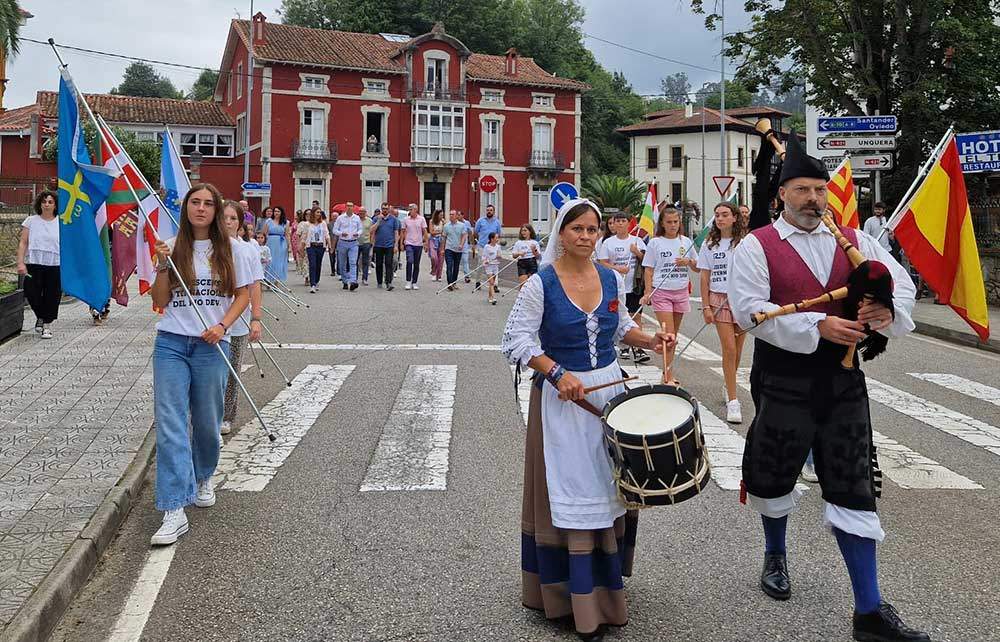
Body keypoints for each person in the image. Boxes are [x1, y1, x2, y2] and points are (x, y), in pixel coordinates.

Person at [729, 134, 927, 641]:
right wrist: (816, 327)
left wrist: (887, 312)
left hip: (842, 382)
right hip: (782, 377)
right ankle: (775, 551)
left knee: (852, 484)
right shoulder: (757, 246)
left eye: (820, 189)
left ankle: (869, 612)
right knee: (773, 478)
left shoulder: (855, 240)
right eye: (802, 189)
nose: (814, 198)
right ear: (781, 195)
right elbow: (749, 311)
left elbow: (898, 284)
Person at [501, 198, 674, 641]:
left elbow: (620, 331)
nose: (585, 236)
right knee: (572, 487)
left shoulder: (611, 279)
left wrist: (653, 339)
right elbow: (516, 340)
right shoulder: (541, 284)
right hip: (563, 400)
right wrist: (557, 372)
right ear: (561, 233)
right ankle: (572, 598)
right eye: (577, 228)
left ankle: (604, 586)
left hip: (608, 393)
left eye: (592, 229)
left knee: (606, 483)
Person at [148, 184, 252, 546]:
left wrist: (223, 325)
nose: (202, 209)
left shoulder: (233, 250)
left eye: (209, 203)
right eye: (196, 202)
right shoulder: (172, 246)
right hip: (172, 343)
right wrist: (162, 266)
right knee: (170, 422)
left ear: (217, 209)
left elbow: (243, 294)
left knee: (207, 422)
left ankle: (204, 473)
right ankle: (173, 508)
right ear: (186, 207)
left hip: (212, 346)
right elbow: (160, 301)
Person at [696, 202, 747, 423]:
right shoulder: (709, 244)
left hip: (742, 300)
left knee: (737, 349)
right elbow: (704, 276)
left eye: (725, 214)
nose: (720, 219)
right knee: (728, 349)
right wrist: (706, 306)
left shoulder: (746, 242)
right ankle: (733, 401)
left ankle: (729, 385)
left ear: (735, 217)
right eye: (717, 215)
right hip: (719, 299)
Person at [221, 201, 264, 436]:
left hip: (238, 322)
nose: (228, 222)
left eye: (233, 218)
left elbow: (255, 285)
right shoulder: (208, 246)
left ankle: (227, 415)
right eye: (224, 217)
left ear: (240, 223)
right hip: (211, 320)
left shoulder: (247, 249)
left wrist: (256, 318)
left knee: (231, 371)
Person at [640, 205, 695, 385]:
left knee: (674, 336)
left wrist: (688, 261)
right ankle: (668, 376)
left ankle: (667, 372)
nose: (673, 225)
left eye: (676, 222)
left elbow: (697, 266)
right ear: (662, 224)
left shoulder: (686, 242)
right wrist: (648, 292)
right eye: (669, 222)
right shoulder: (655, 243)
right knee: (668, 335)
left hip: (680, 290)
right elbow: (648, 269)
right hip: (661, 291)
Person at [598, 211, 649, 364]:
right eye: (617, 221)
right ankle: (623, 345)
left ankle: (638, 348)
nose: (620, 223)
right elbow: (602, 262)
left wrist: (637, 252)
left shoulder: (637, 240)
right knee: (619, 316)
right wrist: (618, 269)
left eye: (623, 221)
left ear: (629, 223)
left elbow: (648, 261)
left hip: (634, 285)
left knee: (636, 315)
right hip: (616, 285)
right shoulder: (608, 242)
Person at [16, 190, 60, 339]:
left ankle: (46, 324)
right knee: (31, 292)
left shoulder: (61, 222)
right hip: (34, 262)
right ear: (39, 204)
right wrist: (20, 262)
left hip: (55, 263)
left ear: (55, 205)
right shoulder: (31, 221)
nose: (46, 205)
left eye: (50, 202)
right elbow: (23, 242)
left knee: (52, 295)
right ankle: (40, 316)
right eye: (44, 202)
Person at [371, 204, 403, 291]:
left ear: (389, 209)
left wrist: (396, 245)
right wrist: (378, 221)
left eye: (386, 209)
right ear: (381, 209)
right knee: (379, 264)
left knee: (389, 263)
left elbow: (396, 232)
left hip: (389, 245)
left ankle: (389, 282)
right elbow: (371, 230)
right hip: (378, 245)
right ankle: (379, 282)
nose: (385, 210)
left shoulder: (394, 219)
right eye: (383, 209)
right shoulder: (376, 218)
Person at [333, 202, 362, 291]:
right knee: (342, 264)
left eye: (351, 206)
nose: (349, 208)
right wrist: (341, 233)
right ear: (345, 208)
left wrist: (358, 233)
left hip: (353, 242)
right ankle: (345, 281)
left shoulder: (357, 218)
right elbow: (335, 230)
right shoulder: (340, 218)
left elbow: (360, 229)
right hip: (342, 242)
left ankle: (353, 281)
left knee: (353, 262)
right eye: (348, 206)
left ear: (353, 208)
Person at [474, 204, 502, 290]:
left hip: (493, 247)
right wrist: (476, 244)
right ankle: (478, 282)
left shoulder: (497, 222)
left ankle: (494, 285)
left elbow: (499, 234)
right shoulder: (480, 221)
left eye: (490, 210)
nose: (489, 211)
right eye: (487, 210)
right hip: (482, 246)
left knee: (494, 265)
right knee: (481, 264)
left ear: (493, 212)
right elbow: (475, 232)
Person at [402, 203, 428, 290]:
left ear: (416, 210)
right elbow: (403, 231)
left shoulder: (421, 219)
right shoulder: (406, 219)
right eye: (409, 209)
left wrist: (426, 243)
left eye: (411, 209)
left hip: (418, 244)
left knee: (416, 264)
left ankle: (414, 282)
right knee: (410, 261)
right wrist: (402, 242)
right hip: (409, 243)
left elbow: (424, 231)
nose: (409, 211)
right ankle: (408, 281)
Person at [304, 207, 330, 293]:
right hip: (311, 246)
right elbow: (304, 235)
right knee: (312, 264)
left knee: (318, 265)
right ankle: (312, 285)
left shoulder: (323, 223)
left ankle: (317, 280)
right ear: (313, 213)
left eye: (320, 212)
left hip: (320, 246)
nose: (319, 214)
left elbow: (326, 234)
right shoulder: (308, 224)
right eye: (317, 212)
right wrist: (301, 245)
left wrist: (329, 245)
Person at [442, 209, 467, 291]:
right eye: (450, 214)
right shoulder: (446, 226)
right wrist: (442, 249)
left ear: (456, 216)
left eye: (452, 214)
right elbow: (444, 238)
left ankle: (454, 282)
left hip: (458, 249)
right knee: (449, 266)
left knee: (456, 267)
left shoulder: (462, 225)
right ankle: (450, 283)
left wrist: (461, 244)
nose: (451, 216)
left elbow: (464, 236)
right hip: (449, 249)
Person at [264, 206, 290, 282]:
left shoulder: (285, 222)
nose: (276, 213)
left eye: (278, 211)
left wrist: (289, 246)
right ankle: (269, 279)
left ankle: (277, 280)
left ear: (281, 213)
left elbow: (287, 234)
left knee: (280, 261)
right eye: (275, 211)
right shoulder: (268, 221)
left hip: (281, 243)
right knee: (270, 261)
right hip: (270, 242)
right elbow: (264, 233)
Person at [481, 232, 501, 305]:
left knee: (491, 283)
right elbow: (483, 256)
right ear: (491, 239)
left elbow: (500, 256)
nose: (497, 239)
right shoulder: (487, 247)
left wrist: (499, 256)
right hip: (489, 266)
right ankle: (493, 298)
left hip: (495, 266)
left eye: (497, 238)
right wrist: (485, 261)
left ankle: (490, 297)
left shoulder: (498, 247)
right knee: (491, 282)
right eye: (496, 238)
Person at [357, 207, 373, 286]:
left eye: (363, 212)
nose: (361, 213)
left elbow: (372, 232)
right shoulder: (355, 219)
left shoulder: (369, 221)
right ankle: (355, 278)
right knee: (355, 261)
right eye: (360, 212)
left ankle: (365, 278)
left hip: (366, 242)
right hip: (356, 243)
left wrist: (371, 242)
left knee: (365, 261)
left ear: (365, 212)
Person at [296, 209, 313, 285]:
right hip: (304, 245)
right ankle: (307, 278)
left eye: (310, 214)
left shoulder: (315, 223)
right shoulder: (301, 224)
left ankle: (312, 277)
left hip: (313, 244)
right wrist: (298, 246)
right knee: (305, 262)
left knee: (312, 263)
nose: (308, 216)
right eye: (307, 214)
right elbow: (298, 235)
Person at [428, 209, 445, 281]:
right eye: (441, 215)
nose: (442, 216)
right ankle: (434, 272)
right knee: (434, 257)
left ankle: (439, 275)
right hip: (433, 240)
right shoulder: (431, 221)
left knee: (440, 258)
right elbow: (431, 232)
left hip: (441, 241)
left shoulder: (443, 222)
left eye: (442, 215)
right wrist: (439, 232)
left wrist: (439, 231)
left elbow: (444, 232)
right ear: (437, 215)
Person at [458, 210, 473, 283]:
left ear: (462, 216)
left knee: (465, 261)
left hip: (465, 246)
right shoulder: (455, 223)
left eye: (459, 215)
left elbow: (470, 233)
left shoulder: (467, 223)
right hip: (456, 245)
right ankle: (453, 276)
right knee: (456, 262)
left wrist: (472, 244)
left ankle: (467, 276)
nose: (457, 216)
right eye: (457, 215)